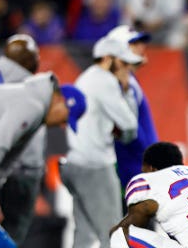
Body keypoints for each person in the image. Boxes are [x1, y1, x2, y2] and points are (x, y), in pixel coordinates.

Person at [0, 72, 86, 226]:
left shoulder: (38, 111)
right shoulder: (33, 105)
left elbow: (8, 159)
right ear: (60, 101)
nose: (63, 124)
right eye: (66, 117)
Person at [60, 35, 142, 248]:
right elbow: (130, 126)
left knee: (85, 235)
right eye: (122, 62)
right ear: (107, 58)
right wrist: (128, 93)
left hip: (76, 163)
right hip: (95, 166)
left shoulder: (86, 77)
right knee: (114, 235)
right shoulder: (105, 81)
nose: (126, 69)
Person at [0, 34, 46, 244]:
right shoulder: (36, 88)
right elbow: (56, 135)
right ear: (28, 60)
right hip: (23, 173)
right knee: (14, 235)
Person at [106, 25, 159, 207]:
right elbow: (127, 130)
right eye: (133, 43)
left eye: (141, 42)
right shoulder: (118, 84)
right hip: (131, 170)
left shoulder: (128, 81)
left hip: (139, 168)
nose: (141, 47)